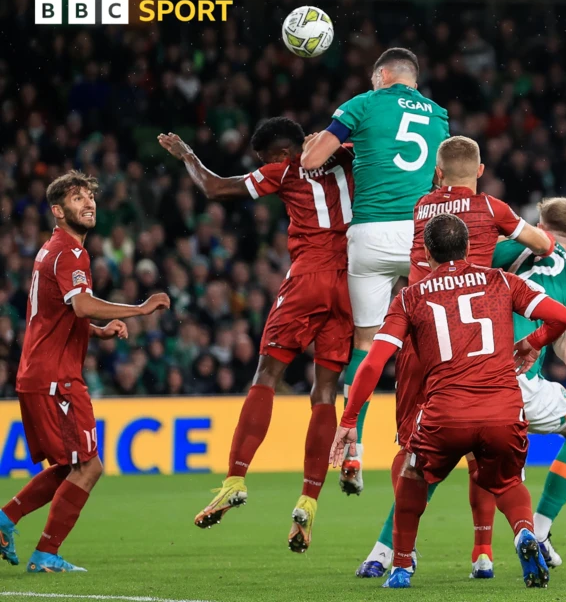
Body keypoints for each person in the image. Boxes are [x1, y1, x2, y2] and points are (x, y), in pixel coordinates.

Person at [331, 214, 566, 589]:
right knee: (507, 482)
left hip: (447, 413)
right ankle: (524, 533)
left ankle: (400, 566)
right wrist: (533, 342)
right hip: (502, 409)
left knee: (413, 474)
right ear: (469, 248)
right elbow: (560, 316)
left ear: (426, 253)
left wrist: (348, 420)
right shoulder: (501, 280)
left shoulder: (410, 297)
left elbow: (374, 361)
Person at [356, 135, 556, 577]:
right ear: (481, 171)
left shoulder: (422, 206)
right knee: (485, 450)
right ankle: (483, 552)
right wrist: (516, 239)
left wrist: (349, 422)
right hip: (477, 329)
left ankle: (391, 554)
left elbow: (439, 242)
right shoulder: (491, 209)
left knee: (412, 450)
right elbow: (543, 244)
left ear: (437, 172)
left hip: (420, 331)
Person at [158, 117, 354, 553]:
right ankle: (308, 501)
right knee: (325, 393)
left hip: (308, 277)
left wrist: (188, 155)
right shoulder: (348, 156)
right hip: (352, 282)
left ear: (278, 155)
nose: (265, 165)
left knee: (266, 375)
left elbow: (213, 188)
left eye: (265, 158)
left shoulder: (284, 170)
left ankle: (235, 479)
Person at [0, 171, 170, 573]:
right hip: (56, 377)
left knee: (69, 465)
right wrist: (138, 309)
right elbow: (81, 304)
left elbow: (55, 314)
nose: (89, 202)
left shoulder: (51, 250)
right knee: (88, 466)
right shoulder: (71, 252)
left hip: (39, 373)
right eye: (78, 198)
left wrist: (97, 332)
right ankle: (45, 555)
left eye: (90, 196)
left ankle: (6, 519)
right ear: (59, 211)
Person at [301, 47, 449, 495]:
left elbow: (311, 162)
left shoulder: (361, 104)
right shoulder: (439, 115)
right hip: (418, 236)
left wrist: (325, 142)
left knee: (366, 344)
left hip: (368, 235)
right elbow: (439, 178)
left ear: (383, 75)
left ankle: (353, 448)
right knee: (425, 341)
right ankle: (420, 440)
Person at [473, 197, 566, 571]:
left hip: (463, 373)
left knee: (433, 463)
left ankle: (388, 553)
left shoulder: (502, 248)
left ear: (538, 223)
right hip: (517, 381)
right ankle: (539, 530)